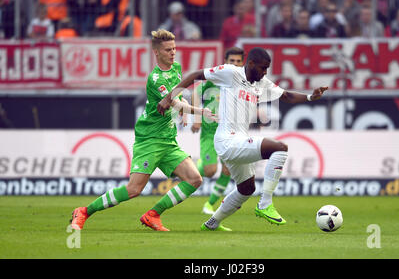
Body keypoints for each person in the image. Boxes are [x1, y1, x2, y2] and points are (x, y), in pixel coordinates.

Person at [157, 47, 328, 231]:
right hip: (226, 140)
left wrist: (311, 97)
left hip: (239, 141)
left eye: (267, 69)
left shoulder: (262, 84)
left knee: (246, 188)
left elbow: (286, 95)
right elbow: (196, 75)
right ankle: (265, 203)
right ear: (251, 63)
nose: (265, 72)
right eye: (263, 68)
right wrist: (169, 97)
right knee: (279, 148)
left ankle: (212, 223)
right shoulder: (231, 73)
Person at [70, 29, 216, 232]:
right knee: (133, 190)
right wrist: (199, 112)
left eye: (174, 48)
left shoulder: (176, 68)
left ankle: (152, 215)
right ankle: (84, 211)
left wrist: (183, 113)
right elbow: (173, 103)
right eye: (167, 50)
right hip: (150, 139)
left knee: (194, 179)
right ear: (156, 52)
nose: (172, 53)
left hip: (168, 140)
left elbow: (178, 97)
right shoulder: (155, 79)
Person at [191, 47, 245, 215]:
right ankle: (189, 171)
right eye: (231, 61)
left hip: (230, 131)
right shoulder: (216, 76)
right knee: (210, 171)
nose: (235, 64)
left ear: (242, 63)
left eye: (238, 61)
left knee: (228, 170)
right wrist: (198, 118)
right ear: (225, 62)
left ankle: (209, 204)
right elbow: (196, 90)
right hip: (210, 130)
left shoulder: (244, 81)